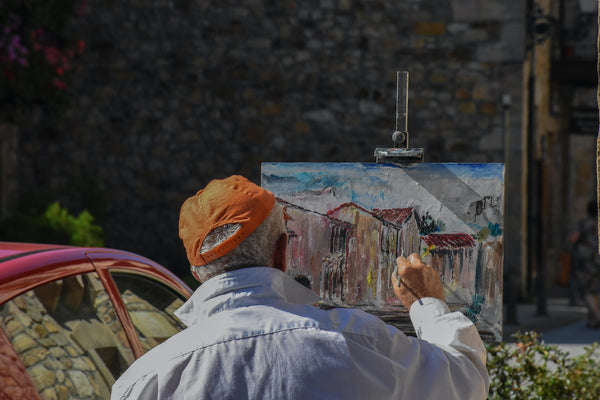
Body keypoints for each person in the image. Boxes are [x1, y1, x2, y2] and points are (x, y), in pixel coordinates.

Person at [111, 175, 489, 399]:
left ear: (197, 273)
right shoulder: (356, 341)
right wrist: (428, 304)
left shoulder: (145, 383)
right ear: (282, 251)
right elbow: (465, 382)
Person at [570, 200, 600, 328]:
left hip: (584, 261)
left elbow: (573, 238)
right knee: (595, 290)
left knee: (585, 291)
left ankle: (597, 316)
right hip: (597, 261)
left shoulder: (583, 223)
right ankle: (592, 319)